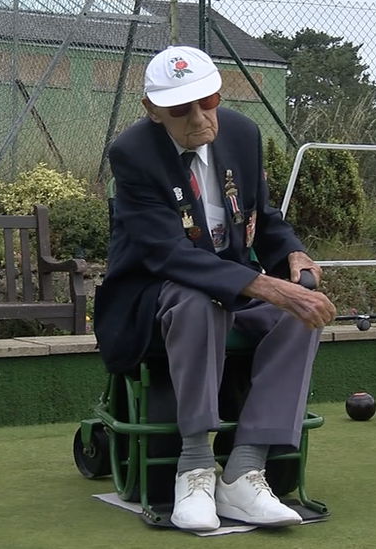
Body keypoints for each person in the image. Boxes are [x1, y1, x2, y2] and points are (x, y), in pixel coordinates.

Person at [93, 45, 337, 532]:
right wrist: (265, 285)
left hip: (231, 291)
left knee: (299, 312)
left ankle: (246, 471)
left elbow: (263, 220)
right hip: (155, 297)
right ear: (152, 110)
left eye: (208, 101)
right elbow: (167, 254)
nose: (199, 118)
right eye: (180, 109)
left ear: (219, 92)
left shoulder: (243, 135)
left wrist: (292, 254)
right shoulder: (132, 154)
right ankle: (194, 469)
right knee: (200, 297)